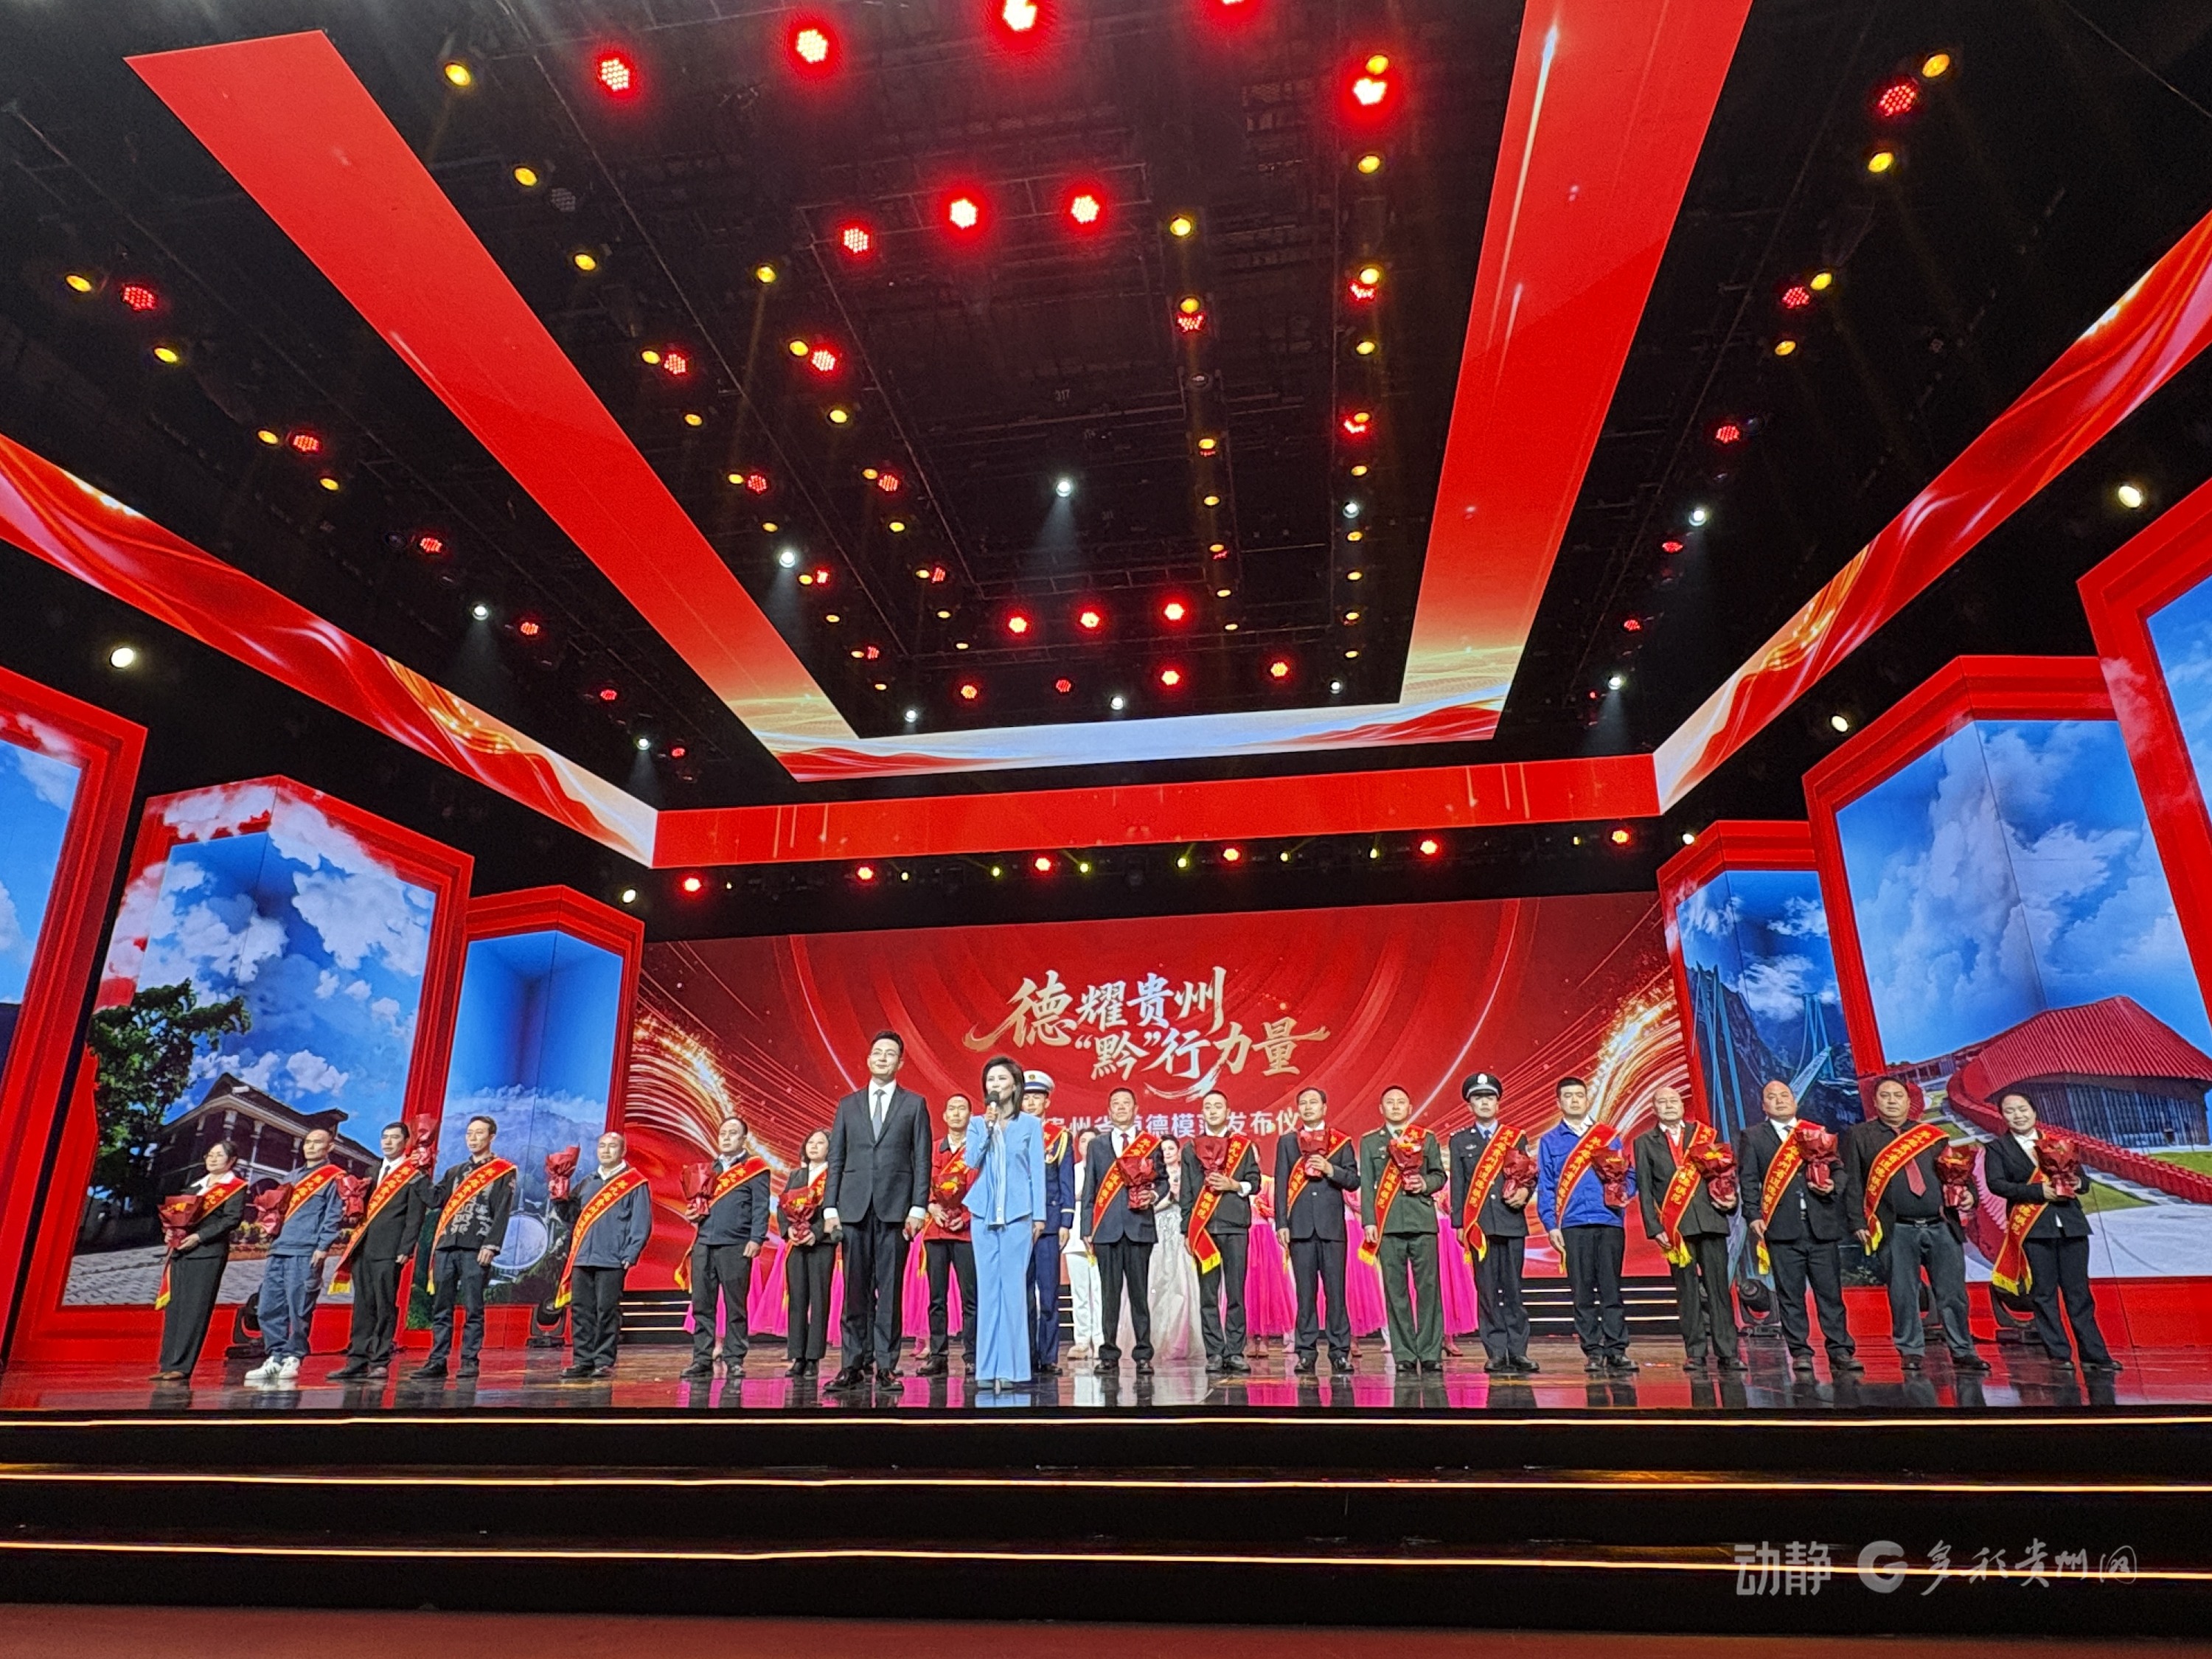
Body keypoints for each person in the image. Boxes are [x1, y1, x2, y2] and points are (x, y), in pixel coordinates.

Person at [1846, 1077, 1991, 1377]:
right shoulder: (1859, 1136)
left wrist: (1968, 1195)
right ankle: (1911, 1350)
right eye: (1885, 1096)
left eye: (1898, 1096)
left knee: (1952, 1293)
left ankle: (1963, 1350)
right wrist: (1857, 1222)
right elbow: (1853, 1184)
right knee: (1903, 1293)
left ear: (1908, 1101)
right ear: (1875, 1102)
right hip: (1895, 1228)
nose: (1892, 1101)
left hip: (1941, 1225)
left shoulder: (1930, 1136)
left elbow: (1956, 1174)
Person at [824, 1031, 931, 1393]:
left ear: (901, 1062)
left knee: (889, 1291)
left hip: (895, 1209)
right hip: (853, 1208)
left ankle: (886, 1366)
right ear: (869, 1059)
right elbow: (836, 1159)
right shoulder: (848, 1105)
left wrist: (918, 1207)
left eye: (890, 1054)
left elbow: (921, 1159)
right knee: (855, 1290)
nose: (883, 1058)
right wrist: (830, 1207)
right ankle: (852, 1364)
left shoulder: (914, 1104)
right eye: (877, 1053)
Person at [1983, 1090, 2119, 1374]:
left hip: (2071, 1225)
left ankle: (2095, 1354)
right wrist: (2038, 1191)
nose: (2018, 1115)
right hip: (2034, 1229)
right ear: (2003, 1116)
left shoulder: (2057, 1143)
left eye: (2023, 1109)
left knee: (2079, 1292)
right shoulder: (1998, 1148)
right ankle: (2059, 1354)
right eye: (2010, 1111)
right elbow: (1997, 1184)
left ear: (2034, 1111)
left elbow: (2084, 1182)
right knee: (2044, 1293)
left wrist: (2076, 1182)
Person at [1734, 1079, 1862, 1380]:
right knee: (1790, 1294)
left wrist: (1833, 1187)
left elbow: (1840, 1170)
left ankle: (1840, 1349)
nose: (1779, 1100)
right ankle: (1801, 1352)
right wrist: (1752, 1215)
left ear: (1794, 1101)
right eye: (1772, 1097)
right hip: (1781, 1227)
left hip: (1820, 1224)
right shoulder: (1753, 1137)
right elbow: (1748, 1179)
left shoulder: (1815, 1131)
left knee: (1830, 1293)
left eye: (1784, 1095)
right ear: (1763, 1106)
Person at [1633, 1085, 1742, 1373]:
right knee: (1687, 1291)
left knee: (1718, 1289)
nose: (1669, 1105)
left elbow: (1723, 1175)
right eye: (1662, 1102)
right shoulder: (1645, 1142)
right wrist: (1654, 1226)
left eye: (1674, 1100)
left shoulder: (1703, 1135)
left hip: (1710, 1221)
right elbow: (1645, 1187)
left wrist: (1730, 1201)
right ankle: (1695, 1352)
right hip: (1675, 1228)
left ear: (1682, 1106)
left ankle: (1728, 1352)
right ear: (1654, 1109)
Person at [1537, 1077, 1638, 1376]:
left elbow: (1629, 1174)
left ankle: (1617, 1350)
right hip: (1572, 1224)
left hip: (1608, 1220)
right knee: (1581, 1291)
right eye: (1568, 1096)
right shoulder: (1550, 1141)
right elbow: (1546, 1186)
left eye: (1579, 1095)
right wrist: (1551, 1225)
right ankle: (1593, 1350)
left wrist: (1625, 1193)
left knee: (1611, 1289)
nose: (1574, 1100)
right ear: (1559, 1102)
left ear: (1587, 1099)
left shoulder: (1608, 1136)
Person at [410, 1116, 516, 1384]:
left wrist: (491, 1245)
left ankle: (470, 1360)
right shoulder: (454, 1172)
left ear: (491, 1137)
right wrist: (418, 1173)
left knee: (473, 1307)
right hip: (446, 1245)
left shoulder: (503, 1171)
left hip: (476, 1247)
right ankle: (437, 1360)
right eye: (469, 1133)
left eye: (479, 1133)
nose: (473, 1138)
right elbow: (435, 1199)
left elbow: (502, 1211)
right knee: (441, 1307)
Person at [966, 1056, 1047, 1392]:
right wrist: (988, 1128)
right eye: (990, 1080)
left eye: (1001, 1079)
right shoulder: (977, 1123)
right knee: (988, 1292)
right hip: (983, 1215)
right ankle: (987, 1368)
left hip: (1018, 1215)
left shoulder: (1030, 1125)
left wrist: (1039, 1216)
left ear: (1015, 1085)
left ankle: (1013, 1369)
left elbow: (1037, 1172)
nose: (995, 1085)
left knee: (1013, 1291)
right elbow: (972, 1160)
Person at [245, 1127, 347, 1388]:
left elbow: (333, 1214)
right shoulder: (291, 1177)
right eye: (307, 1142)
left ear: (330, 1147)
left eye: (317, 1142)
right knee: (269, 1305)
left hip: (306, 1249)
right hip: (280, 1248)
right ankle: (275, 1355)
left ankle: (294, 1355)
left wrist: (323, 1246)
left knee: (299, 1307)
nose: (310, 1147)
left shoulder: (334, 1177)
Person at [1448, 1073, 1537, 1374]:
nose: (1484, 1102)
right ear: (1470, 1105)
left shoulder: (1515, 1137)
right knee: (1486, 1291)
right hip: (1480, 1226)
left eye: (1489, 1097)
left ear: (1498, 1103)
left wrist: (1526, 1193)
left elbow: (1527, 1175)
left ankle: (1519, 1351)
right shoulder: (1460, 1140)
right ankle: (1496, 1352)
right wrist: (1459, 1224)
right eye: (1478, 1098)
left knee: (1513, 1290)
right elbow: (1458, 1185)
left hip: (1511, 1222)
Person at [329, 1122, 429, 1382]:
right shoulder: (372, 1171)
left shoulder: (412, 1173)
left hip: (390, 1249)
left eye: (394, 1138)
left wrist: (406, 1248)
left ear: (405, 1143)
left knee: (384, 1304)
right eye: (385, 1137)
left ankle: (380, 1360)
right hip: (364, 1246)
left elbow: (415, 1216)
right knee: (362, 1305)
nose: (388, 1142)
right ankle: (357, 1359)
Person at [1079, 1085, 1167, 1377]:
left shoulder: (1150, 1144)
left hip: (1140, 1227)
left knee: (1140, 1295)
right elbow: (1090, 1188)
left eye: (1126, 1103)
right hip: (1106, 1230)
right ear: (1109, 1111)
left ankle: (1143, 1354)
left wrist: (1153, 1195)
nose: (1120, 1107)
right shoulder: (1097, 1145)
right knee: (1109, 1295)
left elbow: (1163, 1181)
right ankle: (1108, 1354)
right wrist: (1087, 1228)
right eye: (1115, 1103)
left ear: (1136, 1109)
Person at [1360, 1086, 1447, 1374]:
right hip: (1388, 1225)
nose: (1396, 1106)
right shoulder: (1370, 1142)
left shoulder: (1426, 1138)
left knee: (1429, 1289)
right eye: (1390, 1102)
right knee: (1395, 1291)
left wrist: (1425, 1184)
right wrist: (1369, 1221)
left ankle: (1431, 1352)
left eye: (1401, 1102)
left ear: (1410, 1108)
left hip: (1422, 1221)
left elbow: (1439, 1175)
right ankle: (1404, 1353)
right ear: (1381, 1109)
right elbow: (1367, 1185)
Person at [554, 1130, 652, 1381]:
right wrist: (559, 1198)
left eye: (612, 1146)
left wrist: (631, 1252)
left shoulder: (635, 1183)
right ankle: (583, 1360)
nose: (606, 1151)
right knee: (581, 1310)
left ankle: (603, 1360)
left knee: (607, 1309)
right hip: (582, 1257)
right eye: (602, 1146)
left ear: (623, 1151)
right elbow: (571, 1218)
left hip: (613, 1257)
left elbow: (641, 1222)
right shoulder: (587, 1182)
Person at [1275, 1085, 1357, 1375]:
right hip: (1299, 1229)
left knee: (1336, 1292)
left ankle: (1340, 1352)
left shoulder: (1340, 1142)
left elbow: (1353, 1180)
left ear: (1324, 1108)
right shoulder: (1288, 1142)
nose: (1308, 1107)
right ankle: (1306, 1352)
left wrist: (1330, 1169)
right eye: (1303, 1103)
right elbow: (1281, 1183)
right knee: (1305, 1294)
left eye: (1314, 1103)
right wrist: (1281, 1223)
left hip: (1332, 1228)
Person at [681, 1116, 771, 1382]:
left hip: (737, 1244)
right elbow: (699, 1204)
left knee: (735, 1306)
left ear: (744, 1138)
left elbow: (760, 1207)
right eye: (723, 1133)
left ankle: (734, 1359)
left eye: (733, 1133)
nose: (727, 1138)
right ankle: (702, 1359)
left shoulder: (755, 1168)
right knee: (702, 1305)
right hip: (704, 1243)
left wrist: (756, 1239)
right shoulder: (709, 1169)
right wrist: (692, 1213)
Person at [153, 1141, 249, 1382]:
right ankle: (167, 1364)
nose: (213, 1159)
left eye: (219, 1155)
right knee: (176, 1307)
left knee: (195, 1309)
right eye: (210, 1155)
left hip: (207, 1252)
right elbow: (179, 1216)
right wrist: (171, 1232)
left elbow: (231, 1219)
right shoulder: (196, 1186)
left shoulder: (235, 1187)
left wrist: (199, 1237)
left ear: (231, 1161)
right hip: (182, 1252)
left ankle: (182, 1366)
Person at [1187, 1088, 1262, 1374]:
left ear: (1228, 1112)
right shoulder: (1190, 1148)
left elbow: (1255, 1182)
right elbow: (1187, 1193)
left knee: (1235, 1292)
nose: (1213, 1111)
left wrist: (1234, 1185)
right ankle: (1215, 1353)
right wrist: (1187, 1231)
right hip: (1204, 1230)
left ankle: (1235, 1351)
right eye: (1208, 1107)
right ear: (1202, 1112)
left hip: (1235, 1226)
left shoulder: (1242, 1146)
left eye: (1218, 1106)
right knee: (1208, 1294)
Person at [919, 1093, 981, 1376]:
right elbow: (922, 1184)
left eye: (962, 1109)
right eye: (951, 1109)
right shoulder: (933, 1149)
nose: (956, 1113)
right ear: (944, 1116)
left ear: (970, 1115)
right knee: (937, 1298)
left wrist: (966, 1217)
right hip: (936, 1232)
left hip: (966, 1233)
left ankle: (973, 1355)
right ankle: (938, 1355)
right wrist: (931, 1207)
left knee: (971, 1297)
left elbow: (984, 1187)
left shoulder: (977, 1149)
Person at [1023, 1071, 1076, 1376]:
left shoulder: (1059, 1136)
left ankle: (1048, 1356)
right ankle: (1026, 1355)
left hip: (1050, 1225)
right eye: (1026, 1098)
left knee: (1048, 1294)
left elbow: (1065, 1181)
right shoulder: (1010, 1133)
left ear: (1047, 1102)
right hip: (1018, 1225)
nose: (1031, 1103)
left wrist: (1066, 1221)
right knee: (1023, 1295)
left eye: (1037, 1098)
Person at [1141, 1138, 1206, 1363]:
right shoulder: (1152, 1174)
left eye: (1171, 1148)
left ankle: (1181, 1339)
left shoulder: (1186, 1172)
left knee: (1182, 1283)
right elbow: (1149, 1204)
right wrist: (1168, 1197)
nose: (1167, 1152)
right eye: (1163, 1150)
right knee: (1157, 1282)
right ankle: (1155, 1340)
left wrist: (1180, 1197)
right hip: (1157, 1228)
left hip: (1179, 1228)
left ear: (1179, 1151)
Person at [781, 1130, 835, 1379]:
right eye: (810, 1142)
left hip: (821, 1245)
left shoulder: (835, 1175)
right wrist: (789, 1230)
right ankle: (797, 1356)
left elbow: (837, 1210)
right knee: (797, 1300)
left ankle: (813, 1357)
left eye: (820, 1143)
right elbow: (783, 1207)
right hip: (796, 1245)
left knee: (819, 1299)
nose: (814, 1146)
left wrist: (816, 1233)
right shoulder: (796, 1175)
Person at [1065, 1127, 1104, 1360]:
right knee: (1079, 1293)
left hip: (1099, 1237)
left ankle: (1101, 1340)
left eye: (1092, 1141)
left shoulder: (1106, 1170)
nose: (1088, 1145)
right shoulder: (1072, 1171)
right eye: (1083, 1141)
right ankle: (1081, 1341)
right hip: (1074, 1239)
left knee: (1100, 1292)